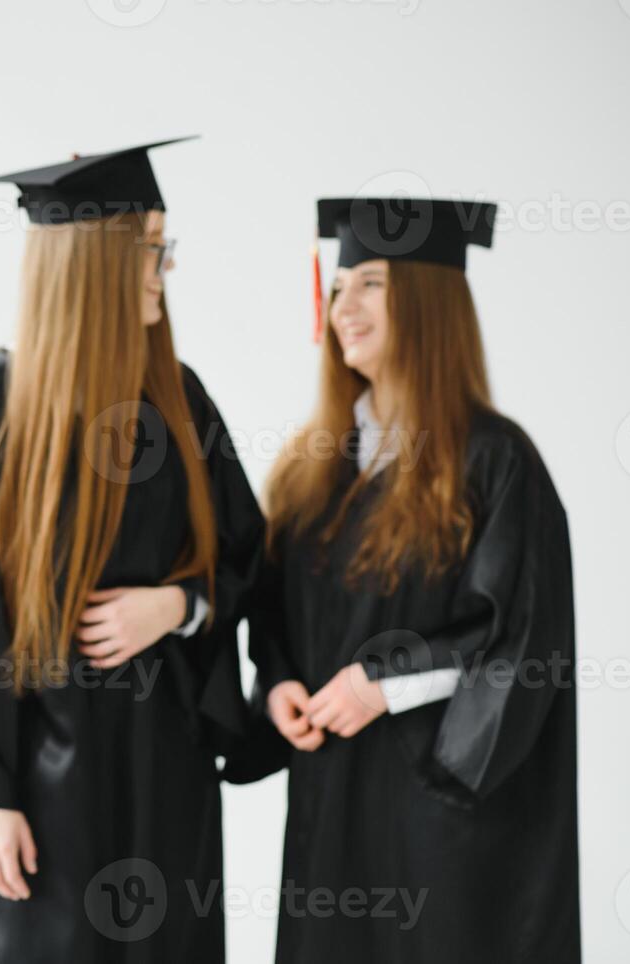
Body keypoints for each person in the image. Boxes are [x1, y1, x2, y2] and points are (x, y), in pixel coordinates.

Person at [0, 140, 265, 962]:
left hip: (165, 770)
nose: (164, 267)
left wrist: (179, 604)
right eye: (150, 248)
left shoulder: (180, 399)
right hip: (36, 783)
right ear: (94, 264)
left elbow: (246, 555)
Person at [249, 196, 580, 962]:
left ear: (429, 302)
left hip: (439, 812)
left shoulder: (495, 461)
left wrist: (383, 682)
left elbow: (522, 636)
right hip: (332, 797)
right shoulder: (315, 466)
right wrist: (276, 686)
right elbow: (267, 611)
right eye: (338, 287)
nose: (344, 306)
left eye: (371, 284)